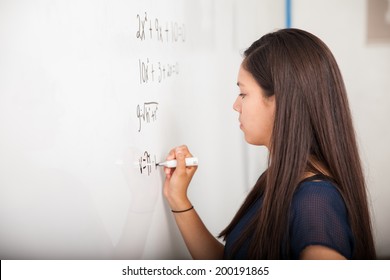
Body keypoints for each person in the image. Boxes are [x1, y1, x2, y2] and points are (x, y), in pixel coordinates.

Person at [162, 28, 376, 260]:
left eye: (243, 94)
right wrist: (178, 199)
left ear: (280, 101)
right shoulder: (283, 179)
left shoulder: (315, 202)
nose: (236, 105)